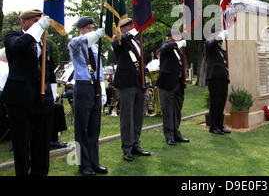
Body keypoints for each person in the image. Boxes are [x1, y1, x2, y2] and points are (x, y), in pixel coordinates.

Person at [1, 10, 54, 176]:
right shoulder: (12, 36)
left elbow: (49, 69)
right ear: (24, 22)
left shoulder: (45, 42)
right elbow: (18, 46)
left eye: (41, 20)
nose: (40, 23)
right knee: (21, 144)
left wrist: (50, 92)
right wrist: (38, 28)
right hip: (19, 99)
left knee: (42, 143)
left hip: (41, 99)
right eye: (35, 20)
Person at [68, 16, 108, 176]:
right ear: (81, 29)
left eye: (93, 28)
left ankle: (94, 162)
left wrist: (103, 89)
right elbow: (77, 42)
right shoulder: (75, 44)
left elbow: (99, 69)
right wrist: (93, 36)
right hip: (83, 87)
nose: (92, 31)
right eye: (89, 28)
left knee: (94, 127)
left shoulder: (95, 48)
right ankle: (83, 164)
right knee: (82, 128)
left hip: (95, 88)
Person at [112, 18, 151, 161]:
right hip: (126, 83)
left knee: (138, 117)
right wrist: (130, 32)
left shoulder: (135, 41)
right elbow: (117, 44)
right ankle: (127, 148)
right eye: (129, 26)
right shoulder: (119, 40)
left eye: (132, 26)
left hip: (138, 83)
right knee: (127, 118)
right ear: (122, 29)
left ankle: (136, 144)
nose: (132, 28)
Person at [156, 30, 189, 146]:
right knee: (168, 111)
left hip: (178, 83)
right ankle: (169, 136)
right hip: (167, 84)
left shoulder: (178, 50)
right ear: (170, 37)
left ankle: (176, 133)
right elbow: (166, 48)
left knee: (177, 111)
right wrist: (178, 43)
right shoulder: (165, 46)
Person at [204, 28, 231, 135]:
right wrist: (221, 35)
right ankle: (213, 126)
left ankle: (220, 125)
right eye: (218, 32)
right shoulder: (208, 44)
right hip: (214, 78)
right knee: (215, 102)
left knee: (221, 102)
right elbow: (211, 43)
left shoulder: (219, 49)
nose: (220, 34)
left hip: (222, 78)